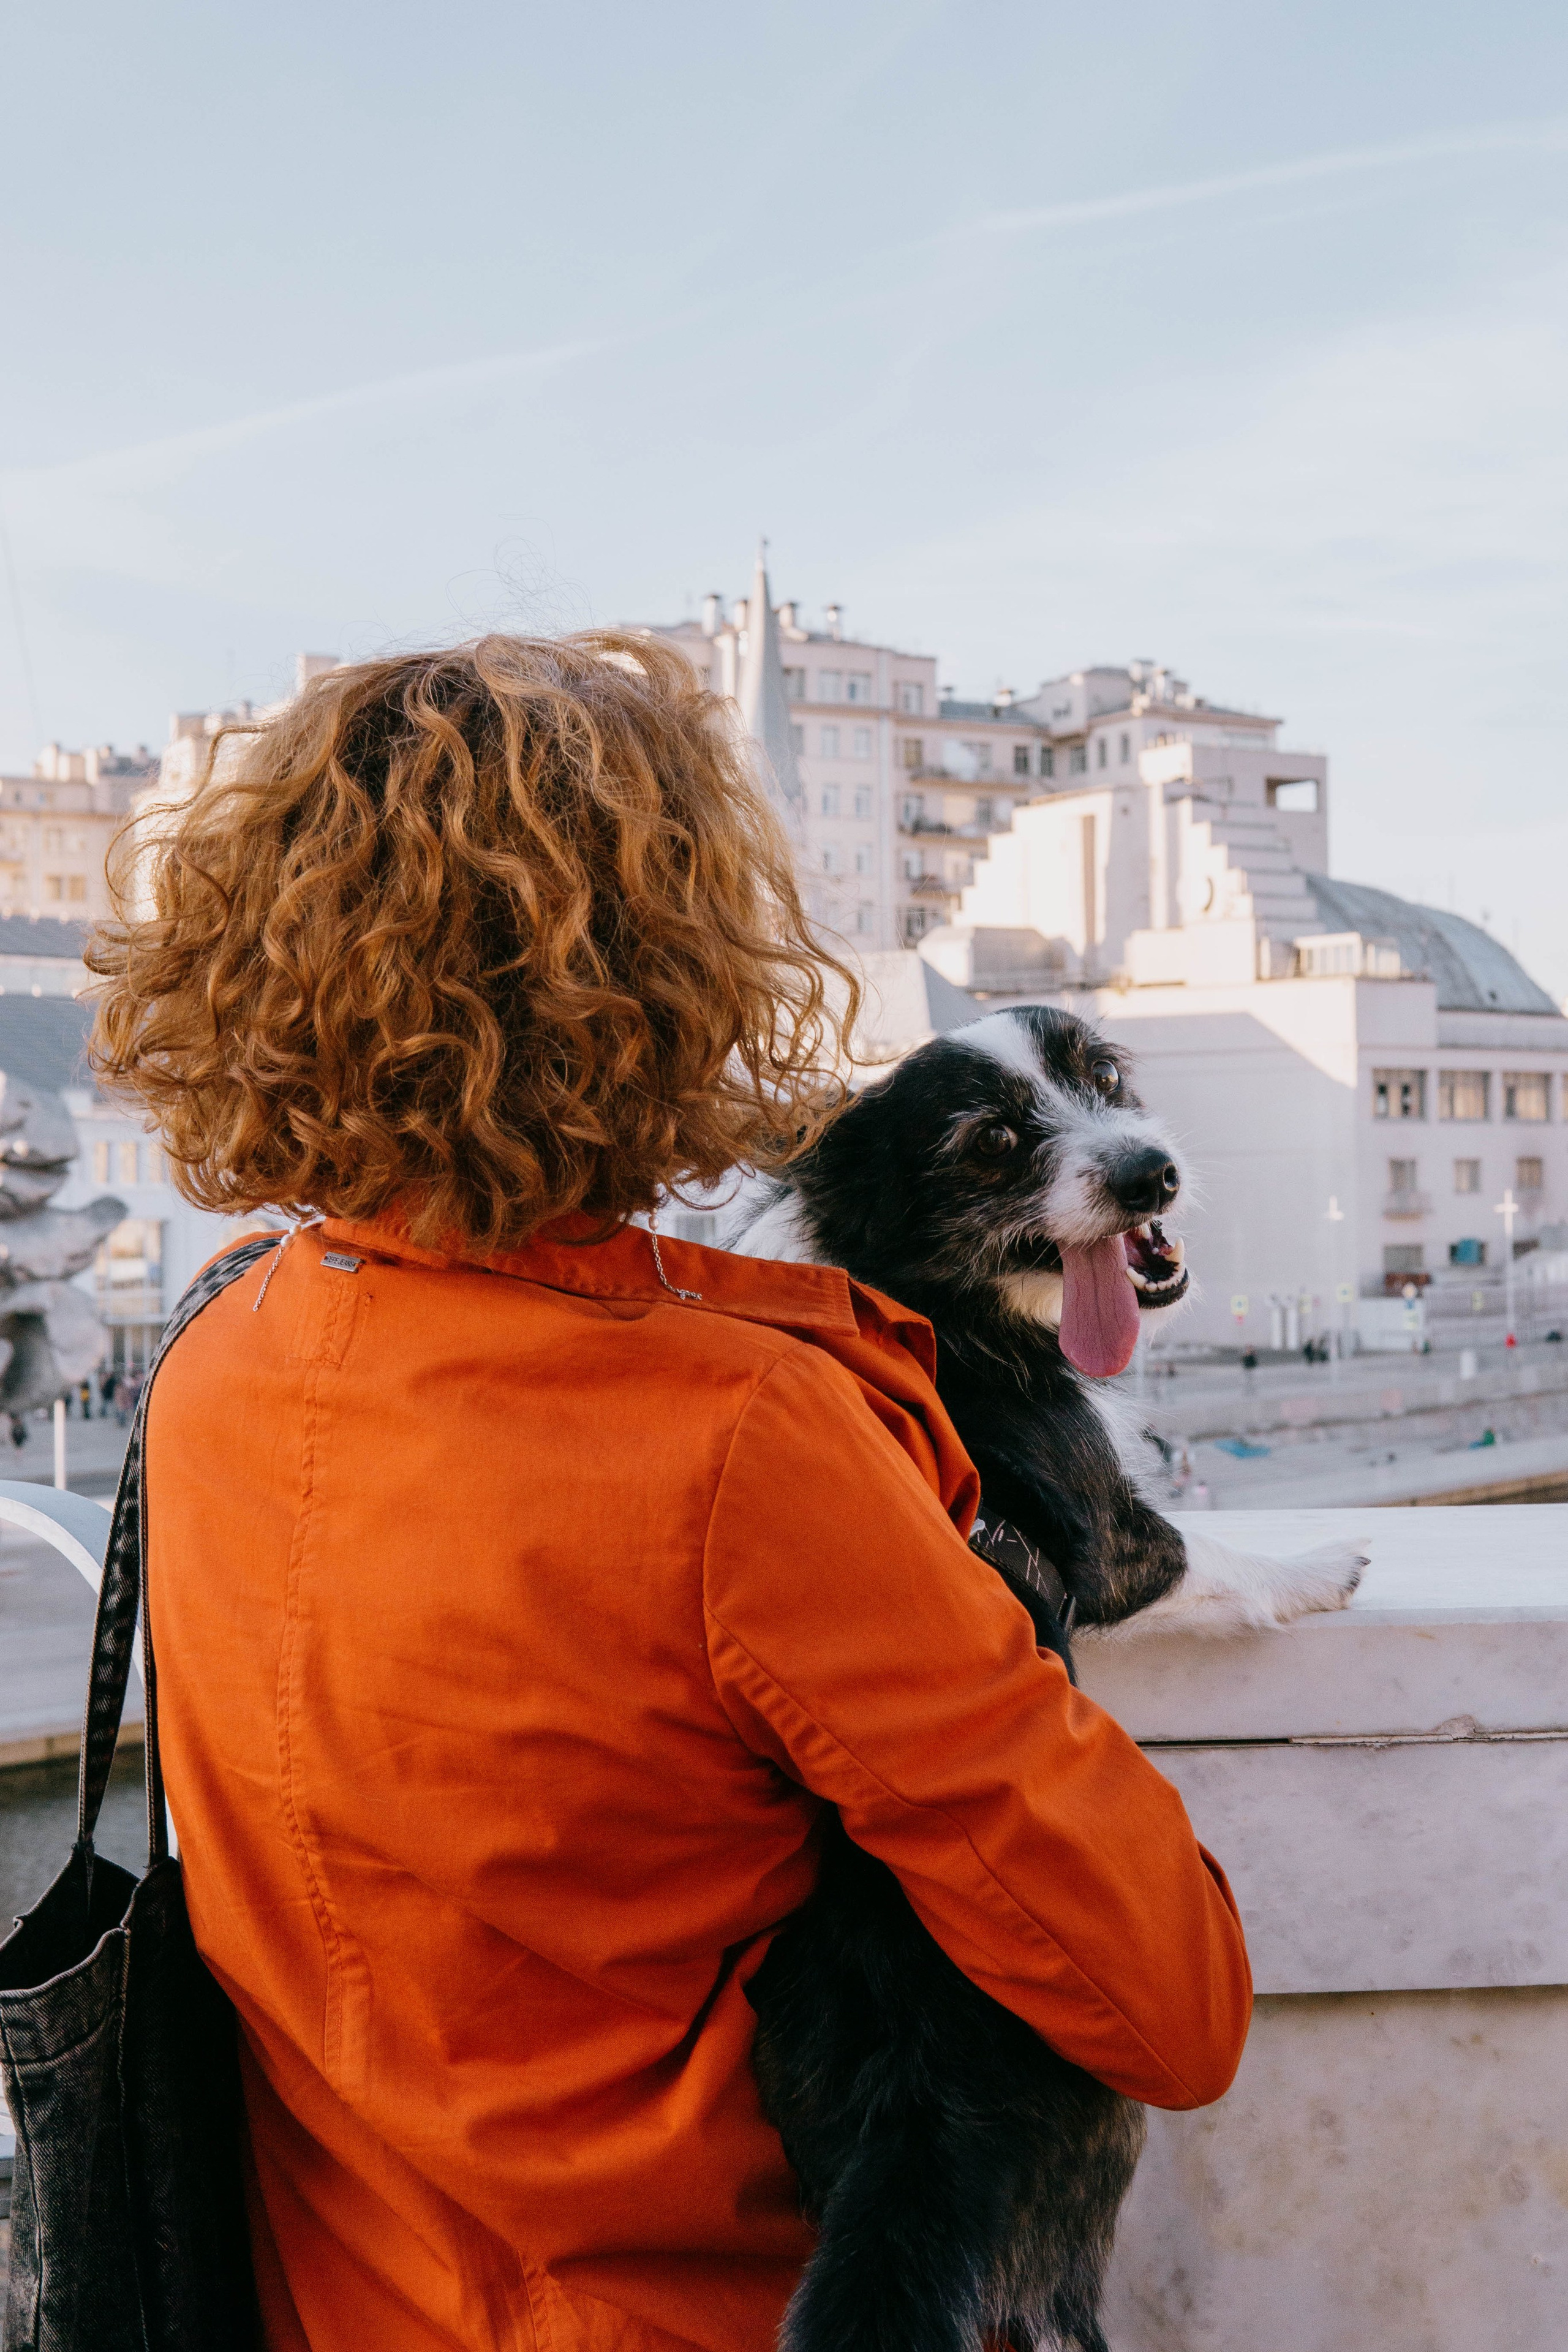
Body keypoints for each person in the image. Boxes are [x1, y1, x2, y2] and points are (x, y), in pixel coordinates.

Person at [88, 636, 1250, 2352]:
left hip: (332, 2302)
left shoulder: (218, 1354)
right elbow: (1171, 2001)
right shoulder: (754, 1427)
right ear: (672, 983)